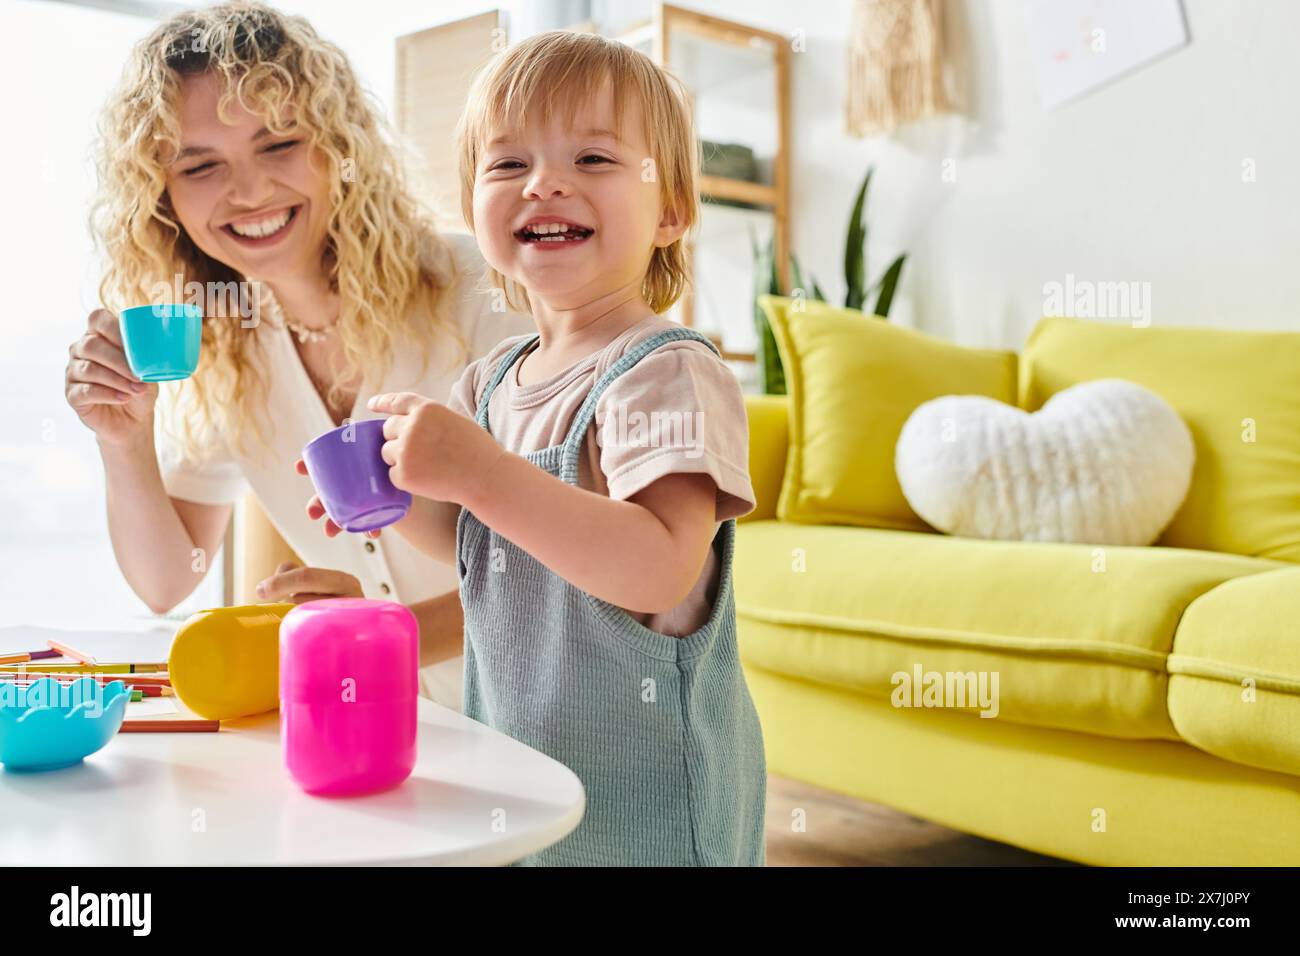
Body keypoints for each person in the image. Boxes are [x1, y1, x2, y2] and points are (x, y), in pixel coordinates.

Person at [308, 31, 767, 865]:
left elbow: (659, 565)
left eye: (593, 158)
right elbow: (478, 550)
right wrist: (405, 493)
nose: (545, 182)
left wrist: (481, 473)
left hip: (650, 804)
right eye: (508, 163)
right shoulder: (490, 380)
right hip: (525, 776)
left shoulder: (665, 372)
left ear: (670, 212)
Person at [63, 2, 528, 705]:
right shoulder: (227, 346)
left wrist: (371, 635)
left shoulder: (488, 294)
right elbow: (166, 580)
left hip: (566, 735)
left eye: (279, 145)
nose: (249, 191)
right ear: (164, 200)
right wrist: (123, 440)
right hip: (415, 738)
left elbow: (565, 569)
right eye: (200, 166)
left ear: (337, 146)